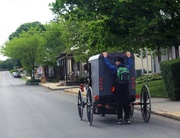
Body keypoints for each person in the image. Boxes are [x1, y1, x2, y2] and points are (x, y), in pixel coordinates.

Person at [102, 52, 132, 124]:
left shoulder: (115, 68)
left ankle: (119, 118)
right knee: (126, 103)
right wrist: (128, 56)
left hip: (118, 88)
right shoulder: (127, 68)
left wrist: (105, 57)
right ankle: (127, 118)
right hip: (126, 88)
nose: (115, 62)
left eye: (116, 61)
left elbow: (107, 65)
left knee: (119, 103)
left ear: (119, 62)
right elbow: (130, 64)